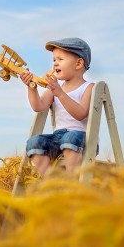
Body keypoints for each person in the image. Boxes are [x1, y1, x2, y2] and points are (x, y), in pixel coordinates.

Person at [20, 37, 94, 177]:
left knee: (70, 138)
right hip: (57, 138)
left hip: (80, 139)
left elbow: (80, 113)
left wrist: (59, 93)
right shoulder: (55, 88)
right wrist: (32, 87)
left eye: (60, 59)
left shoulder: (88, 88)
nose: (55, 64)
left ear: (78, 63)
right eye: (54, 60)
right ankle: (51, 183)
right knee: (34, 142)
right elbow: (38, 106)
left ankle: (72, 181)